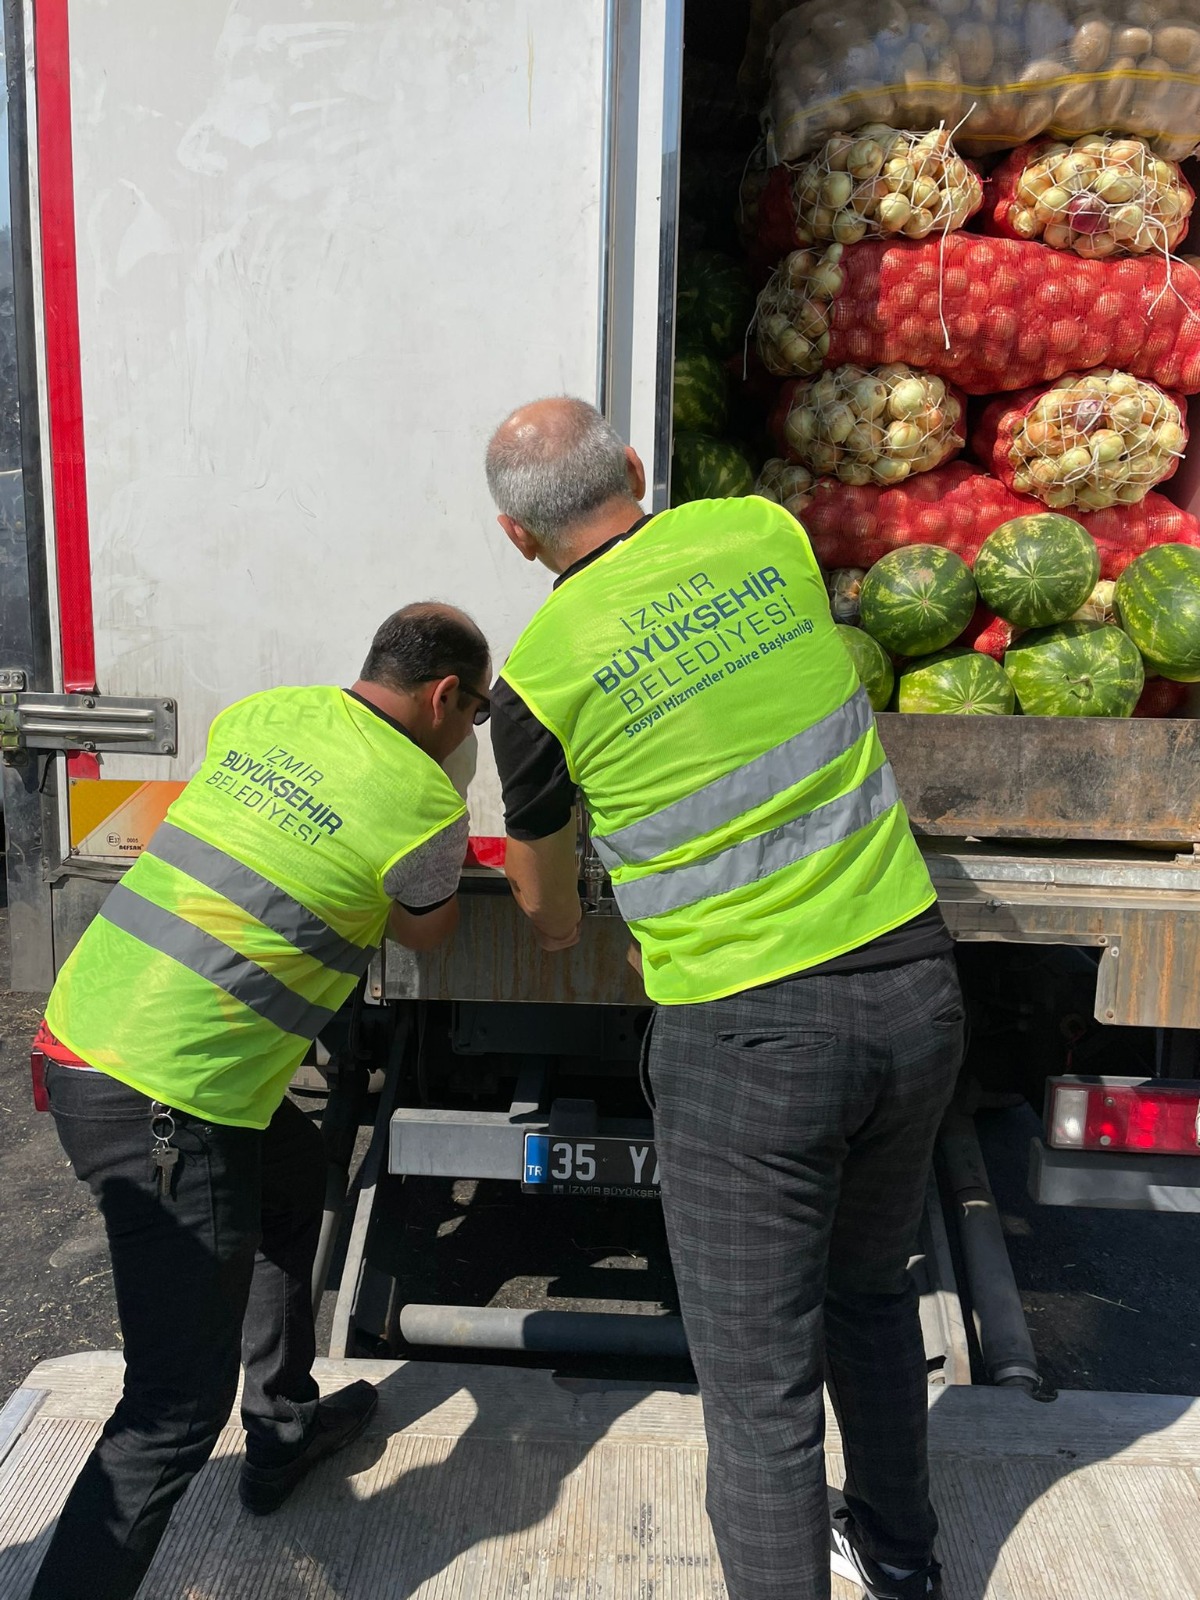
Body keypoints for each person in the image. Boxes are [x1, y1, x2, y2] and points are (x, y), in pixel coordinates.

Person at [484, 398, 964, 1600]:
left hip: (750, 1043)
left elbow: (543, 896)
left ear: (515, 538)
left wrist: (575, 922)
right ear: (634, 466)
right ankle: (902, 1559)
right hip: (913, 990)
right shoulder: (762, 533)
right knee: (871, 1295)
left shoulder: (535, 682)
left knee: (759, 1395)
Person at [29, 602, 491, 1600]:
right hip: (166, 1099)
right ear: (447, 696)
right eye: (478, 714)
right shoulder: (425, 802)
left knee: (289, 1179)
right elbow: (425, 934)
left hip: (91, 1030)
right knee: (172, 1415)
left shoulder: (265, 712)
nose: (474, 731)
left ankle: (282, 1427)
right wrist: (449, 795)